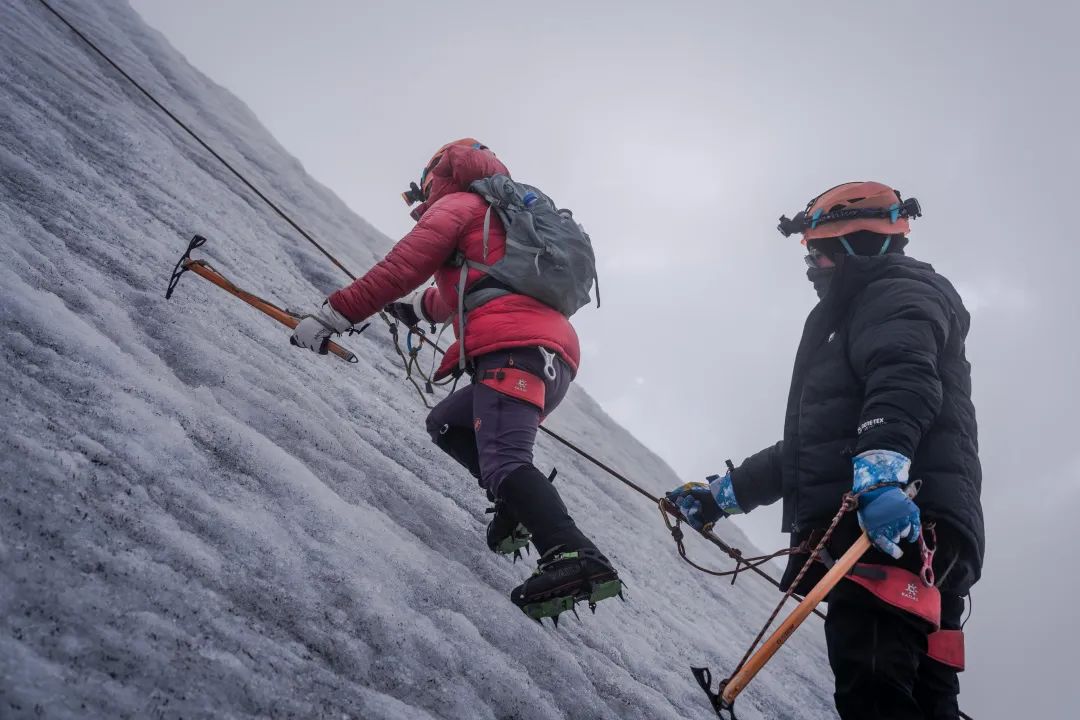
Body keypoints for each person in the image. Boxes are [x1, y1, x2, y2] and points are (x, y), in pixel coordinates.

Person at [668, 182, 983, 719]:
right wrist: (726, 494)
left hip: (895, 526)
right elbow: (819, 446)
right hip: (911, 528)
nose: (811, 265)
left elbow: (904, 381)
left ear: (856, 246)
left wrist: (881, 476)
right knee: (927, 702)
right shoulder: (868, 307)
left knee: (875, 692)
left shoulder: (895, 296)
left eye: (818, 251)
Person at [290, 139, 620, 619]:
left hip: (513, 350)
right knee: (448, 423)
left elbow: (403, 267)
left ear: (439, 174)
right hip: (552, 358)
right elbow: (467, 288)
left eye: (424, 185)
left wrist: (333, 316)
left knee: (506, 459)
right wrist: (415, 309)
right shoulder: (503, 225)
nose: (421, 196)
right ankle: (516, 506)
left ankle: (576, 557)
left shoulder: (462, 206)